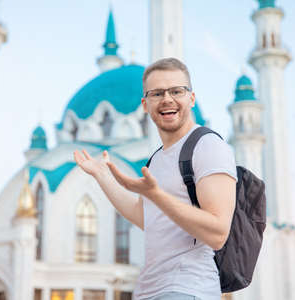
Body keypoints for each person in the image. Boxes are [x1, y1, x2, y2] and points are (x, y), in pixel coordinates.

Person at [74, 58, 237, 300]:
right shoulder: (157, 159)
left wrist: (156, 195)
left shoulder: (208, 146)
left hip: (187, 289)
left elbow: (218, 233)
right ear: (145, 105)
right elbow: (146, 218)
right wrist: (101, 175)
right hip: (149, 290)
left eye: (176, 91)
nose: (167, 99)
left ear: (191, 99)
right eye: (157, 93)